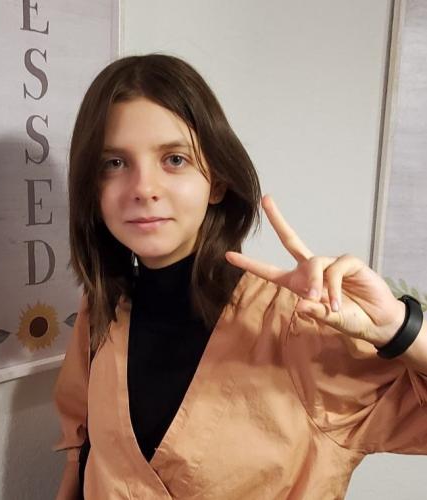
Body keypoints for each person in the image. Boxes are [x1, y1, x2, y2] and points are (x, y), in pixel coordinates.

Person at [52, 53, 427, 500]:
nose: (142, 188)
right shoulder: (102, 313)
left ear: (217, 182)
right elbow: (85, 453)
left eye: (174, 159)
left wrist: (402, 330)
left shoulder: (300, 326)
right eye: (113, 163)